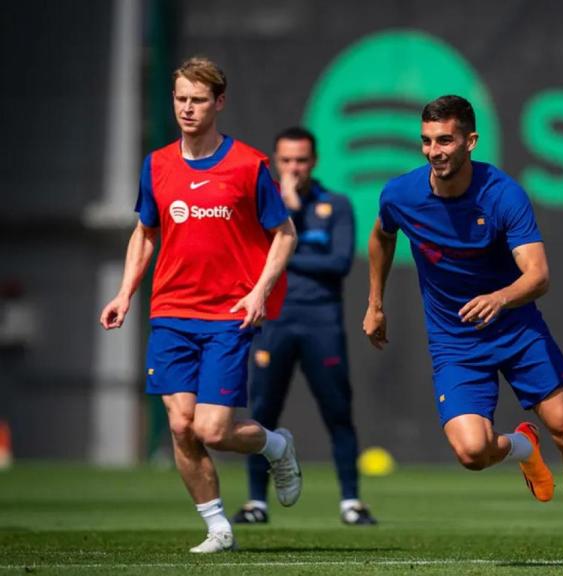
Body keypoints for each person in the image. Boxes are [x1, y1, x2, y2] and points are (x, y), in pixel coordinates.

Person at [363, 95, 563, 571]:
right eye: (426, 141)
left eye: (445, 139)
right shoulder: (400, 194)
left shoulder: (503, 194)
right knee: (472, 451)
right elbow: (381, 235)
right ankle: (523, 447)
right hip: (455, 342)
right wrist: (376, 304)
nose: (433, 150)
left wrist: (500, 298)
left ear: (471, 141)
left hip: (518, 330)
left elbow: (538, 275)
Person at [99, 57, 302, 554]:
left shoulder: (247, 165)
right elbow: (145, 232)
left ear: (219, 103)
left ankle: (277, 445)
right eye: (180, 99)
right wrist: (125, 293)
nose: (187, 109)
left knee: (212, 428)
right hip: (170, 313)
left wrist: (258, 290)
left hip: (227, 315)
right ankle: (217, 527)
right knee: (179, 424)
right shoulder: (157, 164)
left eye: (198, 100)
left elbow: (284, 234)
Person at [232, 127, 376, 526]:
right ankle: (256, 503)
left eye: (301, 160)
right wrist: (289, 217)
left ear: (314, 162)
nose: (294, 168)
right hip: (272, 320)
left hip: (321, 322)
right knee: (262, 411)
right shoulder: (264, 204)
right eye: (287, 161)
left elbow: (339, 263)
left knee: (338, 411)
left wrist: (288, 242)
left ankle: (351, 501)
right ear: (276, 162)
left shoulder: (337, 204)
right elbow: (255, 259)